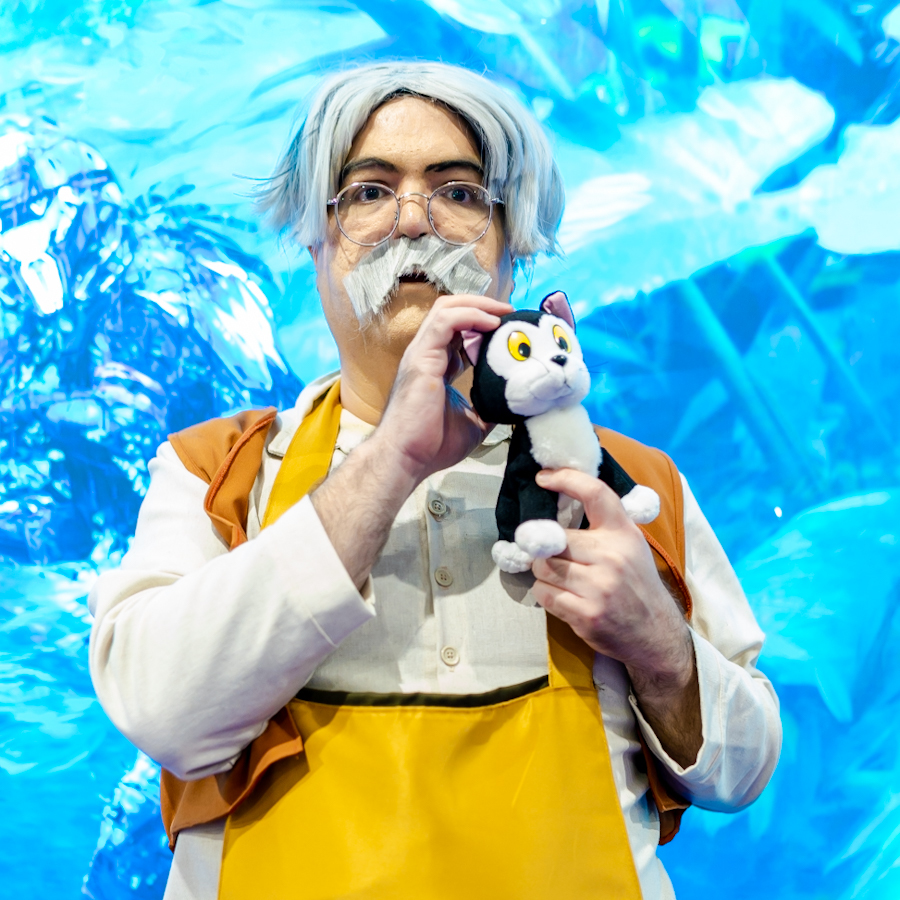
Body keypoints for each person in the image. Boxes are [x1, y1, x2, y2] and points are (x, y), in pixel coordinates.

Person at [89, 61, 781, 900]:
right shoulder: (216, 473)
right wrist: (392, 460)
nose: (413, 219)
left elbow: (745, 770)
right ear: (314, 241)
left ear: (515, 242)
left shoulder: (633, 485)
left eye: (457, 192)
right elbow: (161, 714)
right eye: (369, 192)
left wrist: (659, 645)